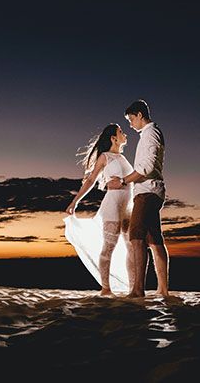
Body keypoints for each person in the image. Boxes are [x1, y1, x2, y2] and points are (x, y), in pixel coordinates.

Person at [106, 99, 169, 297]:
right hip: (151, 192)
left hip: (147, 193)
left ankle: (137, 289)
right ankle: (163, 290)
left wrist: (123, 181)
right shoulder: (151, 133)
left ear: (140, 115)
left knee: (136, 238)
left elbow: (145, 168)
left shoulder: (150, 134)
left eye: (131, 119)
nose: (130, 125)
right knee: (155, 240)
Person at [64, 123, 135, 295]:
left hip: (128, 206)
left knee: (131, 246)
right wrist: (75, 202)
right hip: (113, 204)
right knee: (109, 246)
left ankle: (133, 288)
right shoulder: (105, 157)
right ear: (113, 138)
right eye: (121, 132)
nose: (125, 134)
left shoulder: (124, 158)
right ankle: (106, 288)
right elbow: (90, 181)